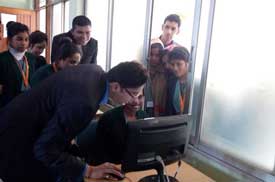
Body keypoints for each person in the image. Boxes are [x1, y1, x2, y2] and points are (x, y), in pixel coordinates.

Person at [0, 61, 148, 182]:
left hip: (23, 126)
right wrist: (88, 170)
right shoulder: (85, 102)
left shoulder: (96, 71)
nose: (134, 100)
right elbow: (44, 149)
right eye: (133, 94)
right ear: (116, 87)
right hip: (15, 144)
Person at [77, 91, 146, 165]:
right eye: (132, 96)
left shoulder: (144, 116)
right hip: (112, 166)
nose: (136, 101)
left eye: (140, 97)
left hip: (136, 165)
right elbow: (100, 153)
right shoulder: (109, 118)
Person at [0, 22, 36, 107]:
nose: (23, 43)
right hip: (9, 104)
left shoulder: (31, 58)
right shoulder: (2, 59)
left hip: (29, 102)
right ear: (9, 40)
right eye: (19, 39)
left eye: (26, 39)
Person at [145, 39, 168, 116]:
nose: (153, 58)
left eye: (157, 55)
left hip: (159, 114)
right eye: (151, 54)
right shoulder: (141, 71)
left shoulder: (165, 74)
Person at [166, 46, 191, 115]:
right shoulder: (171, 82)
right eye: (172, 64)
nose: (175, 68)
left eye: (179, 64)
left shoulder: (195, 83)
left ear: (187, 64)